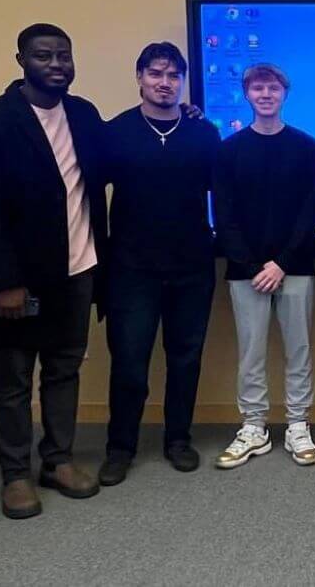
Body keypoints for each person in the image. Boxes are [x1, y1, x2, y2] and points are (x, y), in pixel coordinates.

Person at [0, 24, 108, 518]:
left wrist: (184, 116)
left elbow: (123, 160)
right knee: (14, 379)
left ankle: (58, 460)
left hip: (78, 268)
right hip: (19, 279)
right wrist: (3, 282)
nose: (56, 64)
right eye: (43, 55)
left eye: (63, 55)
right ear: (21, 59)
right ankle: (15, 475)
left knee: (65, 370)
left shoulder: (85, 115)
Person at [99, 43, 221, 486]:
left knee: (185, 358)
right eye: (155, 74)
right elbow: (89, 195)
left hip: (192, 265)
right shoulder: (116, 133)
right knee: (129, 361)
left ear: (182, 82)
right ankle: (121, 447)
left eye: (173, 75)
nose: (164, 83)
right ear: (139, 77)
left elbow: (222, 195)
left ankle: (177, 440)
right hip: (131, 269)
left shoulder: (203, 133)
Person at [212, 63, 315, 470]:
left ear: (284, 93)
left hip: (294, 268)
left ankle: (298, 425)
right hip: (246, 273)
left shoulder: (307, 147)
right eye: (258, 88)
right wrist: (254, 263)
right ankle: (254, 427)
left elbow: (312, 212)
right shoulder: (228, 150)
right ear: (247, 94)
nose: (265, 94)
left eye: (273, 87)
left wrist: (281, 263)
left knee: (299, 351)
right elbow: (223, 215)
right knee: (251, 353)